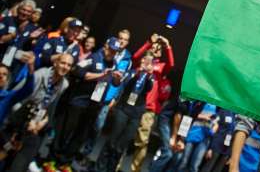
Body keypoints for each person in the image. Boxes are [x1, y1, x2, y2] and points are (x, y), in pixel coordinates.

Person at [50, 37, 123, 171]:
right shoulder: (94, 57)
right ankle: (53, 158)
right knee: (66, 130)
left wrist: (118, 80)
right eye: (111, 49)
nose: (112, 53)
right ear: (106, 46)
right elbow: (77, 71)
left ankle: (65, 161)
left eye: (115, 51)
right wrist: (100, 75)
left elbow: (114, 83)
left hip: (95, 105)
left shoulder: (114, 63)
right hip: (80, 102)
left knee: (81, 135)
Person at [6, 53, 73, 172]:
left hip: (34, 122)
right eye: (63, 63)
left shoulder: (64, 84)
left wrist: (44, 120)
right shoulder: (39, 75)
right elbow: (14, 99)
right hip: (17, 115)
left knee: (28, 152)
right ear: (55, 63)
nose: (65, 67)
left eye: (69, 65)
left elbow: (47, 105)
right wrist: (27, 121)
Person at [94, 51, 154, 172]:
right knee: (112, 141)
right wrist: (137, 73)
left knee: (121, 146)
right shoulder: (131, 72)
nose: (145, 62)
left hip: (136, 114)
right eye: (144, 59)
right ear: (141, 60)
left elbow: (148, 88)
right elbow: (124, 84)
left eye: (148, 61)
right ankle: (99, 169)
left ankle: (111, 169)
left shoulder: (149, 77)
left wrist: (147, 75)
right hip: (123, 109)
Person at [129, 34, 174, 172]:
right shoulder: (143, 62)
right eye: (154, 47)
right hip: (133, 104)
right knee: (127, 136)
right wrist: (149, 42)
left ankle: (134, 169)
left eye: (158, 49)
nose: (155, 50)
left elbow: (171, 64)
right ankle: (116, 165)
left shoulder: (160, 67)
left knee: (142, 141)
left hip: (149, 109)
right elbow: (135, 57)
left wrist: (168, 46)